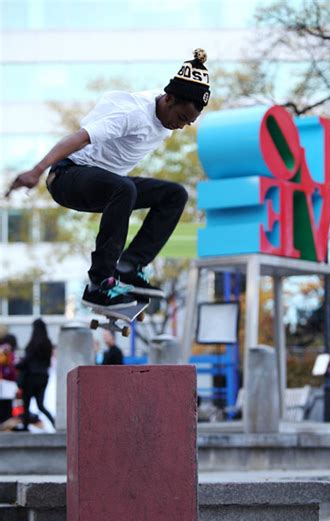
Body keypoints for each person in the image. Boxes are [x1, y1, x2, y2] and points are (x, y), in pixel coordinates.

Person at [5, 49, 211, 310]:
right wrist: (37, 170)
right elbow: (78, 137)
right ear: (168, 98)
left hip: (105, 184)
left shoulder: (168, 115)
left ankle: (130, 266)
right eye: (181, 118)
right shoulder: (132, 114)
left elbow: (183, 101)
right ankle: (100, 283)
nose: (181, 126)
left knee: (174, 195)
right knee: (124, 189)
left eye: (188, 123)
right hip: (67, 176)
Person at [15, 318, 55, 431]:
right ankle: (54, 424)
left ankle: (25, 426)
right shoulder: (47, 344)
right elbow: (48, 362)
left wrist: (16, 366)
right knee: (40, 405)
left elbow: (27, 361)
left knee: (26, 403)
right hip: (43, 377)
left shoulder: (32, 344)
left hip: (30, 378)